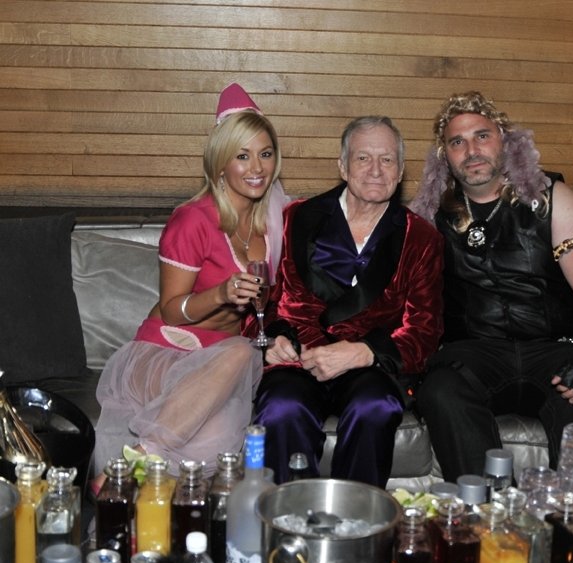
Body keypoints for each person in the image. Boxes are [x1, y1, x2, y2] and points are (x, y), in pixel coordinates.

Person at [410, 91, 573, 482]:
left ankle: (571, 514)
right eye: (457, 142)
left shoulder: (549, 195)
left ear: (505, 140)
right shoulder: (429, 214)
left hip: (553, 349)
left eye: (482, 136)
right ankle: (487, 508)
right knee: (439, 389)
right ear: (444, 156)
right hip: (474, 354)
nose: (471, 150)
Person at [95, 83, 288, 478]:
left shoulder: (275, 221)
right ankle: (141, 458)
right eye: (242, 156)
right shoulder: (193, 220)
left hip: (223, 364)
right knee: (242, 352)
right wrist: (221, 293)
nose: (257, 168)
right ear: (220, 163)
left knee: (212, 438)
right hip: (166, 351)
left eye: (265, 154)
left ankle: (132, 485)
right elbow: (171, 311)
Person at [253, 115, 444, 487]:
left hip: (370, 366)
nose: (376, 170)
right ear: (342, 166)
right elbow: (262, 301)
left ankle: (358, 517)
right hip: (297, 360)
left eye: (387, 160)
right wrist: (270, 340)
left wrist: (365, 352)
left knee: (375, 408)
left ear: (401, 171)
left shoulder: (421, 237)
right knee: (281, 409)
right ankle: (288, 514)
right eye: (363, 158)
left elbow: (426, 330)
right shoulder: (292, 219)